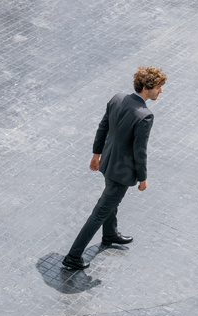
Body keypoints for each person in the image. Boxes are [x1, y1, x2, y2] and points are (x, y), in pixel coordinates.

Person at [62, 66, 166, 270]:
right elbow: (140, 151)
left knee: (110, 201)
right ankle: (73, 257)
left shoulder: (118, 98)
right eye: (159, 88)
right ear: (146, 87)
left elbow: (103, 126)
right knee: (100, 212)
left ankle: (110, 234)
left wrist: (96, 154)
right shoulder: (145, 115)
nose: (160, 92)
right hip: (121, 172)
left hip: (108, 162)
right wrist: (143, 177)